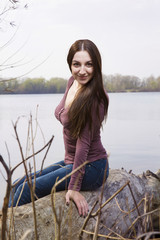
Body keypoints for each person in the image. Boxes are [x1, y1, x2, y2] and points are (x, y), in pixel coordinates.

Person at [9, 39, 109, 217]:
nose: (82, 70)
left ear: (97, 66)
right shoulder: (72, 82)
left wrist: (74, 188)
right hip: (72, 162)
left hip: (92, 166)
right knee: (16, 183)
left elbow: (83, 144)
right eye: (76, 64)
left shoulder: (95, 99)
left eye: (89, 64)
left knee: (26, 190)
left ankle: (8, 229)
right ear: (70, 64)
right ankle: (5, 224)